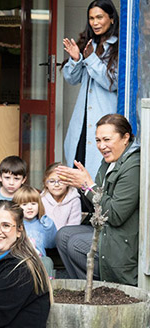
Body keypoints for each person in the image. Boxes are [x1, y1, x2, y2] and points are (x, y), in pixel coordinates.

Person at [55, 113, 140, 286]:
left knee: (75, 244)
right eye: (98, 140)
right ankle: (85, 288)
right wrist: (81, 186)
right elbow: (96, 206)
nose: (102, 146)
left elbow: (115, 215)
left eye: (107, 139)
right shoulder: (109, 160)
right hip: (107, 231)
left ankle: (96, 289)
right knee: (63, 236)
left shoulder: (134, 165)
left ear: (125, 138)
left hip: (123, 239)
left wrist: (88, 186)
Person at [62, 0, 119, 179]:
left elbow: (112, 82)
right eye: (91, 18)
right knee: (78, 165)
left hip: (105, 117)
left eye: (99, 17)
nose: (95, 22)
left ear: (111, 19)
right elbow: (72, 79)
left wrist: (90, 58)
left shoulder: (120, 46)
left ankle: (95, 206)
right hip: (83, 118)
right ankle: (80, 206)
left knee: (99, 172)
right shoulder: (88, 44)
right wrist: (76, 58)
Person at [13, 186, 57, 277]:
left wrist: (49, 227)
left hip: (39, 261)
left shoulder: (43, 223)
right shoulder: (14, 224)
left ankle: (48, 287)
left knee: (47, 261)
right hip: (20, 260)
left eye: (33, 203)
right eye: (24, 204)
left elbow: (51, 244)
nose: (30, 207)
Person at [41, 162, 82, 229]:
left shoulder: (74, 200)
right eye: (52, 181)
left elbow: (73, 226)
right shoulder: (41, 199)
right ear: (46, 183)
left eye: (61, 181)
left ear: (68, 182)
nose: (56, 185)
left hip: (66, 237)